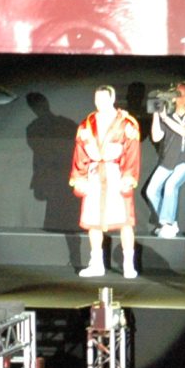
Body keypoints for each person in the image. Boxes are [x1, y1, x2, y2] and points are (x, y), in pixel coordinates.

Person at [70, 85, 142, 279]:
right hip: (94, 174)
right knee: (93, 222)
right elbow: (80, 152)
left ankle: (128, 264)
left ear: (112, 99)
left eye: (103, 99)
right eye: (97, 99)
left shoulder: (126, 122)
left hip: (115, 173)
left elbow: (132, 151)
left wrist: (128, 176)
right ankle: (97, 264)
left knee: (125, 221)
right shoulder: (87, 124)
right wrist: (80, 178)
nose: (100, 102)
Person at [145, 80, 185, 238]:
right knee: (151, 190)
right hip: (167, 161)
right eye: (176, 94)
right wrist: (157, 115)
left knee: (171, 185)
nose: (179, 97)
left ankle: (168, 223)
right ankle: (167, 222)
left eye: (183, 94)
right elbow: (157, 136)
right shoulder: (168, 116)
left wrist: (165, 118)